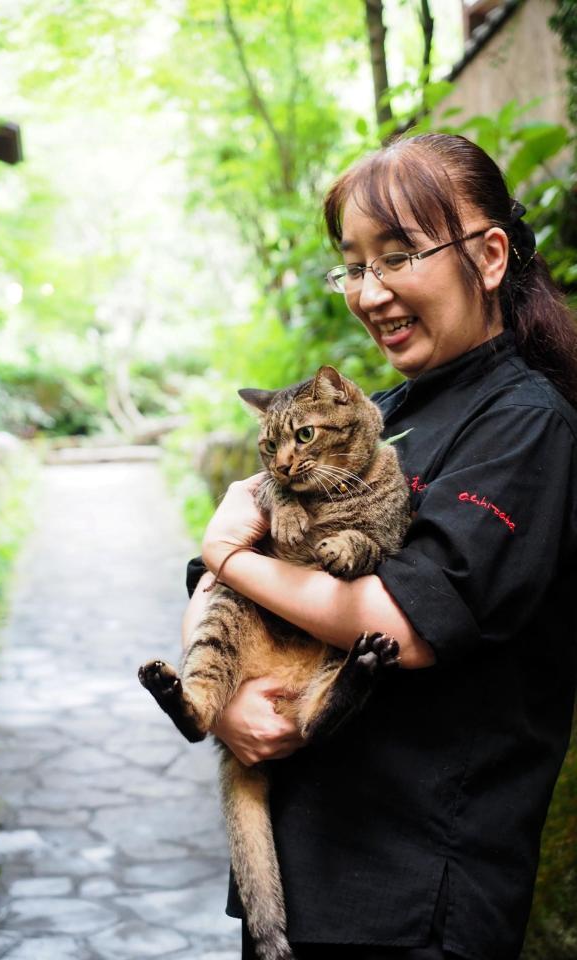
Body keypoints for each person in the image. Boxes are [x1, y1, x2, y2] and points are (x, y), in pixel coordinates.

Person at [183, 133, 577, 960]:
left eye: (397, 256)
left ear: (490, 255)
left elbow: (397, 625)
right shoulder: (378, 410)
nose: (369, 291)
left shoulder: (523, 425)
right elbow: (222, 575)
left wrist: (231, 557)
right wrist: (220, 695)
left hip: (413, 897)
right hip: (297, 876)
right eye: (353, 264)